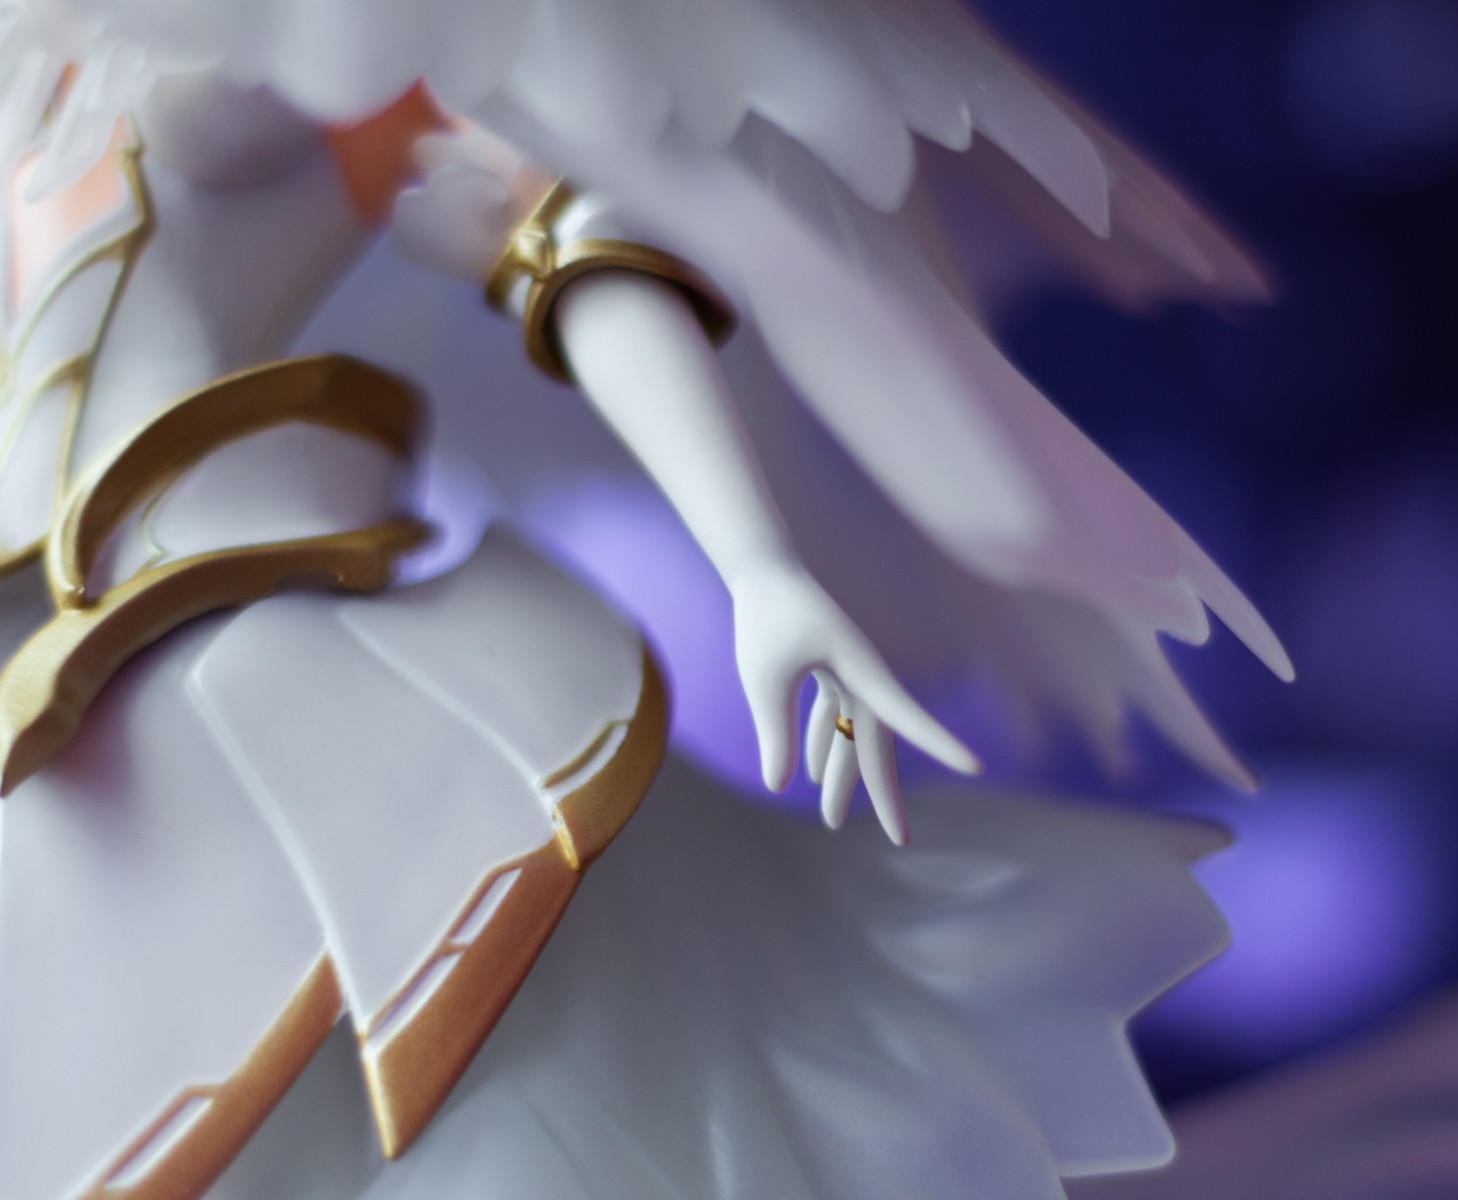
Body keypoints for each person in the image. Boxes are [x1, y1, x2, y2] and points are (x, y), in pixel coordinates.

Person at [0, 1, 1293, 1196]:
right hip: (45, 669)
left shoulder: (318, 39)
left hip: (243, 621)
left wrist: (760, 567)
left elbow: (559, 234)